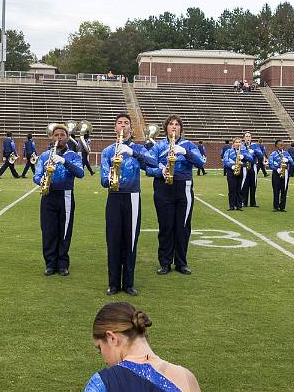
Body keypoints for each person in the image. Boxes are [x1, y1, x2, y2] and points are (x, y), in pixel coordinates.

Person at [85, 302, 201, 392]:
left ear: (112, 338)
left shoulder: (102, 383)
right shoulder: (187, 377)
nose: (105, 360)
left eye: (100, 348)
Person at [100, 113, 157, 296]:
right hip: (114, 197)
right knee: (113, 240)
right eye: (119, 123)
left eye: (126, 123)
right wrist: (110, 179)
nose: (122, 126)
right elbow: (102, 179)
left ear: (131, 129)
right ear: (114, 128)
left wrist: (133, 152)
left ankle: (129, 283)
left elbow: (153, 162)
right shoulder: (108, 151)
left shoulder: (137, 148)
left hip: (132, 197)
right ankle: (113, 283)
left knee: (130, 241)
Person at [145, 115, 204, 276]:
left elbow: (200, 163)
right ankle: (165, 262)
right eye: (171, 124)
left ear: (181, 129)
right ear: (166, 128)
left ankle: (181, 263)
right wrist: (160, 170)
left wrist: (185, 153)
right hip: (163, 188)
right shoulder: (158, 146)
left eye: (177, 124)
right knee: (166, 227)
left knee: (183, 227)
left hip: (183, 188)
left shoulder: (189, 145)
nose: (174, 127)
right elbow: (148, 167)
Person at [33, 124, 84, 276]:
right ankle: (50, 263)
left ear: (67, 137)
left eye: (62, 135)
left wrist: (63, 161)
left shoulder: (74, 155)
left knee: (64, 231)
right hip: (48, 196)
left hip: (66, 196)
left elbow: (80, 173)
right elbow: (36, 175)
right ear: (52, 137)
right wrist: (40, 179)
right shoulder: (44, 156)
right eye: (56, 135)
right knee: (48, 231)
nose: (59, 137)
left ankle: (62, 263)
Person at [240, 131, 264, 208]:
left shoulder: (255, 146)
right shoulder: (241, 146)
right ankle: (244, 201)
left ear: (251, 138)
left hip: (253, 166)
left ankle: (253, 202)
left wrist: (254, 151)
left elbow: (261, 155)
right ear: (244, 138)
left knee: (253, 184)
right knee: (245, 184)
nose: (248, 138)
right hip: (244, 166)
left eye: (249, 136)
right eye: (246, 136)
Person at [269, 139, 293, 212]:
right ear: (276, 145)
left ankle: (282, 206)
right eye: (280, 144)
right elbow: (270, 164)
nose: (282, 146)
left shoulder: (286, 153)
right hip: (276, 173)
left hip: (285, 173)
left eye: (282, 144)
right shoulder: (273, 154)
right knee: (276, 190)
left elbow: (292, 162)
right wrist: (276, 169)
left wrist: (287, 160)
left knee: (284, 190)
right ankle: (276, 207)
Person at [223, 138, 244, 210]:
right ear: (233, 143)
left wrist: (243, 160)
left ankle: (239, 205)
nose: (238, 144)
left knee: (239, 189)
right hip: (231, 171)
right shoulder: (228, 151)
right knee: (232, 189)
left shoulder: (243, 152)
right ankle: (231, 205)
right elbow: (225, 161)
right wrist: (232, 166)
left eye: (239, 142)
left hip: (240, 171)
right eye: (236, 142)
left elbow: (250, 160)